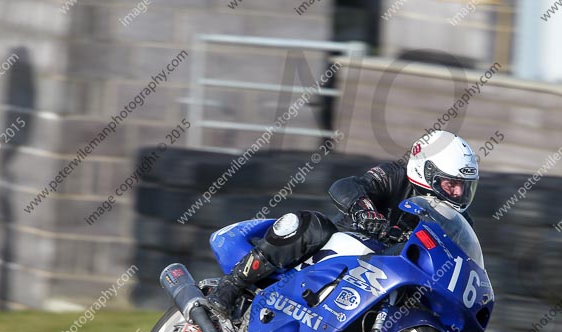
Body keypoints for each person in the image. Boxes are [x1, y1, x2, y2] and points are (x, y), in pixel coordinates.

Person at [205, 130, 480, 319]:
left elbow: (461, 260)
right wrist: (365, 212)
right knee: (310, 223)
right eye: (451, 183)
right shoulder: (395, 176)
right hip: (344, 247)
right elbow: (348, 186)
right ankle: (228, 290)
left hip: (388, 275)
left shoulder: (457, 221)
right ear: (426, 171)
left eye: (463, 186)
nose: (457, 193)